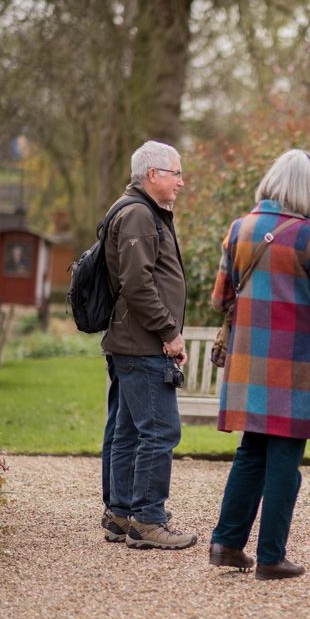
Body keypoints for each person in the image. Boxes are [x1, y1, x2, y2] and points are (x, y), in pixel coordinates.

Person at [208, 149, 310, 580]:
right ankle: (271, 557)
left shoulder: (241, 228)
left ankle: (227, 543)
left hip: (249, 363)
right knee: (285, 459)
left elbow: (219, 298)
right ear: (305, 187)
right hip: (294, 366)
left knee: (251, 452)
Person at [100, 140, 195, 549]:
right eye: (176, 173)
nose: (181, 181)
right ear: (153, 174)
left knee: (127, 431)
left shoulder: (137, 209)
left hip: (131, 341)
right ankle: (148, 520)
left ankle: (121, 514)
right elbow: (138, 285)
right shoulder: (139, 214)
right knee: (159, 431)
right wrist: (169, 333)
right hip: (142, 344)